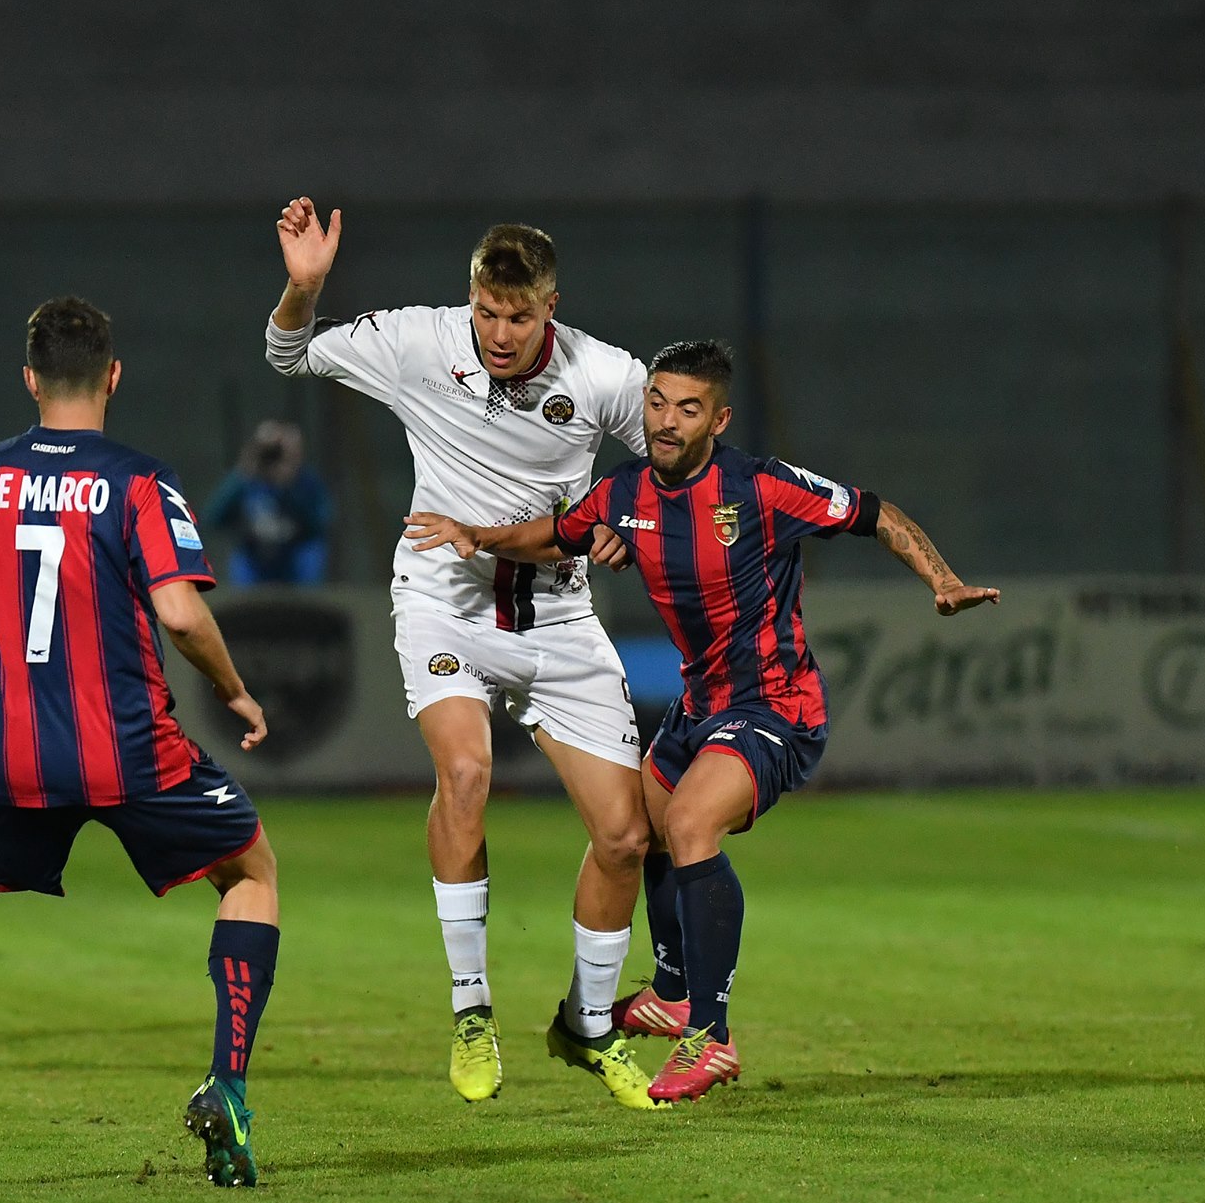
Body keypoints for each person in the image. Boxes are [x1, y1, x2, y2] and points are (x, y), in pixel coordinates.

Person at [405, 339, 999, 1103]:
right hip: (699, 705)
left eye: (687, 409)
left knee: (688, 824)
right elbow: (560, 531)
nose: (666, 421)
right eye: (656, 403)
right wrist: (480, 536)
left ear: (717, 418)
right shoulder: (624, 494)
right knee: (639, 827)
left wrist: (940, 578)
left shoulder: (760, 488)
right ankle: (677, 989)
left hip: (775, 706)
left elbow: (874, 511)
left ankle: (709, 1035)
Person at [0, 297, 282, 1192]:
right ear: (114, 376)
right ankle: (228, 1088)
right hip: (132, 753)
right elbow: (179, 611)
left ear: (31, 379)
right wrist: (233, 688)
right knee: (252, 875)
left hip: (12, 759)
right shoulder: (139, 481)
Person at [266, 200, 660, 1109]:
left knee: (624, 834)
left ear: (551, 307)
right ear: (470, 298)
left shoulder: (601, 373)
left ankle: (587, 1023)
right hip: (445, 602)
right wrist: (304, 287)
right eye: (488, 311)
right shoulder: (416, 341)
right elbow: (289, 351)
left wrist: (627, 526)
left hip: (558, 618)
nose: (500, 332)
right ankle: (471, 1007)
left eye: (520, 316)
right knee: (467, 774)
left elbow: (673, 465)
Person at [203, 420, 333, 585]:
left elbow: (322, 523)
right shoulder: (246, 482)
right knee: (242, 559)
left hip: (294, 564)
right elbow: (213, 518)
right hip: (255, 561)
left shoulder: (307, 483)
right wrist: (245, 470)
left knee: (312, 551)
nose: (275, 457)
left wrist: (288, 486)